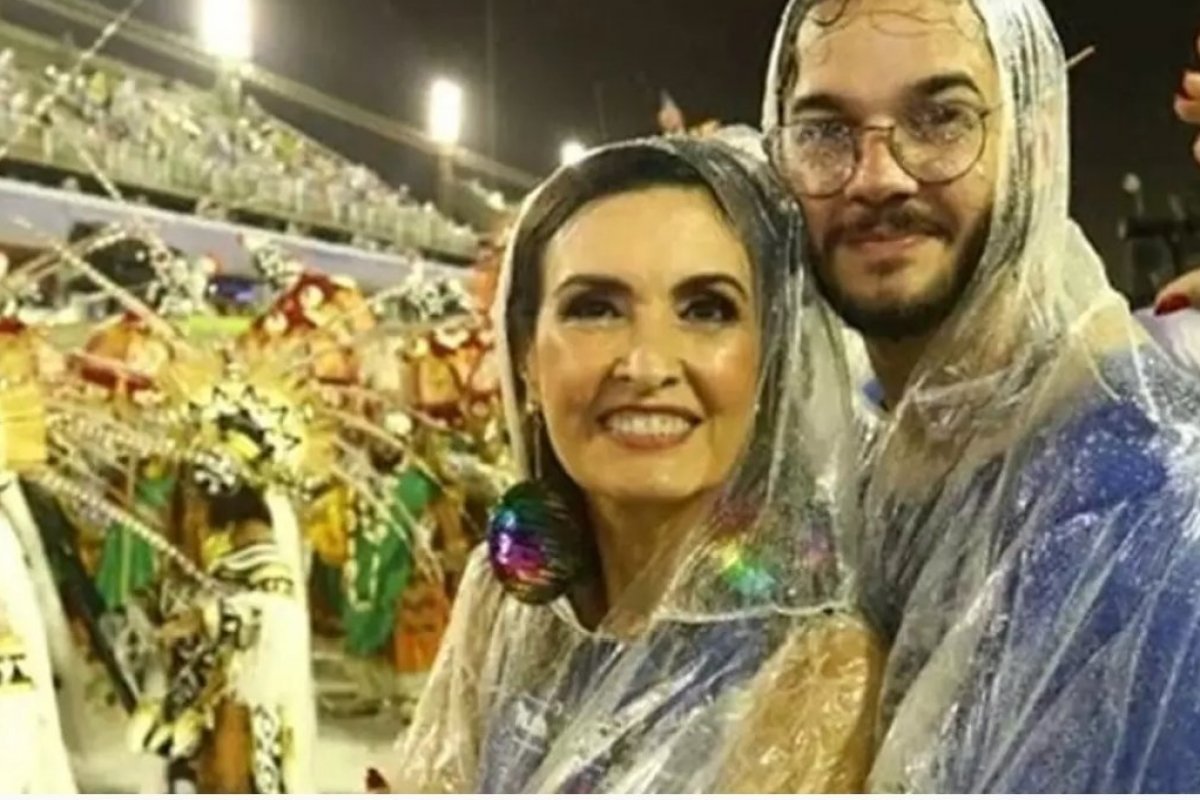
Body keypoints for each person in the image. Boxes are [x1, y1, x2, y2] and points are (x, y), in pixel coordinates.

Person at [763, 0, 1200, 791]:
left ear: (1034, 146)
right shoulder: (853, 465)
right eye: (825, 130)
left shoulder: (1154, 513)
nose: (879, 175)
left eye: (941, 119)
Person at [382, 133, 882, 793]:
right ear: (527, 356)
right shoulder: (504, 602)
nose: (646, 365)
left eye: (707, 310)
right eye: (595, 309)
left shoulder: (820, 670)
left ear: (770, 357)